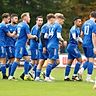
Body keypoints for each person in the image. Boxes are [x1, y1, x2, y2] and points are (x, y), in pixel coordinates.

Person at [8, 12, 38, 80]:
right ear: (25, 18)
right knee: (17, 60)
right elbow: (29, 36)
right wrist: (35, 36)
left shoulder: (19, 25)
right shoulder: (25, 25)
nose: (29, 18)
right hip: (20, 45)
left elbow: (13, 34)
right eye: (29, 17)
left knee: (27, 59)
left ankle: (26, 75)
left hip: (21, 44)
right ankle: (11, 76)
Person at [35, 13, 55, 81]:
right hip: (43, 46)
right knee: (42, 61)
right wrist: (44, 46)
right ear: (50, 19)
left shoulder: (50, 26)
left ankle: (41, 76)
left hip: (46, 46)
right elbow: (42, 37)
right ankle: (43, 76)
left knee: (43, 61)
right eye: (53, 19)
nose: (54, 21)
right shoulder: (45, 26)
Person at [44, 13, 65, 82]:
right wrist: (63, 40)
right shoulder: (58, 26)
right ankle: (46, 76)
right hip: (53, 46)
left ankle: (46, 73)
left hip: (50, 44)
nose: (63, 22)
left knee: (57, 62)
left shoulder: (51, 25)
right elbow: (58, 36)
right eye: (62, 20)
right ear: (59, 19)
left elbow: (46, 36)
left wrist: (54, 40)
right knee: (51, 61)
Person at [78, 11, 96, 82]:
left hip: (84, 43)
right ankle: (88, 77)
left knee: (88, 60)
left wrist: (81, 41)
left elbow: (81, 34)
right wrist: (95, 46)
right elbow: (93, 35)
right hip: (90, 44)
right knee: (91, 60)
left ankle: (81, 70)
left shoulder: (85, 23)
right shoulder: (94, 24)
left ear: (90, 16)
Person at [0, 13, 17, 79]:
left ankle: (6, 75)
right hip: (2, 44)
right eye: (8, 19)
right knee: (3, 60)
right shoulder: (4, 25)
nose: (9, 20)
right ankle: (5, 75)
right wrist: (16, 32)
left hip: (2, 43)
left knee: (3, 60)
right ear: (4, 18)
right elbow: (10, 35)